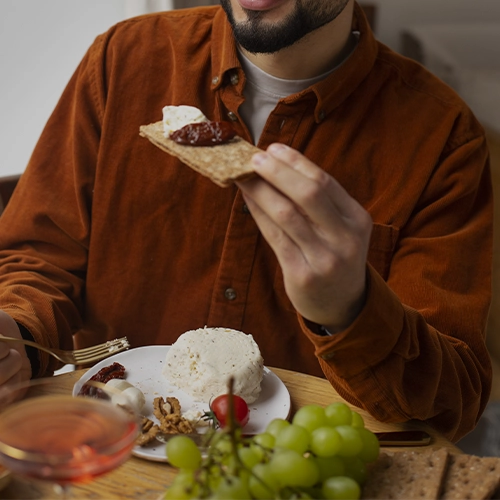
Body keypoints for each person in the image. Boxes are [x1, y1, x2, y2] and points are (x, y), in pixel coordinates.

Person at [0, 0, 493, 442]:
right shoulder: (123, 58)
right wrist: (17, 336)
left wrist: (349, 310)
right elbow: (38, 257)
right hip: (112, 451)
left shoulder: (443, 138)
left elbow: (455, 403)